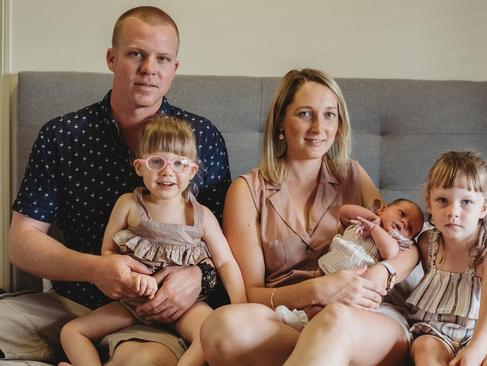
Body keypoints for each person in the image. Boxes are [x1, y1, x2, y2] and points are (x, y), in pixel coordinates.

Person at [1, 6, 230, 365]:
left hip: (158, 312)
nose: (149, 69)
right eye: (136, 54)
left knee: (142, 360)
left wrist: (197, 279)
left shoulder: (202, 137)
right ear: (112, 58)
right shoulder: (63, 135)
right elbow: (21, 243)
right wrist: (95, 269)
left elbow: (227, 244)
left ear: (174, 69)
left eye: (163, 58)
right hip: (72, 304)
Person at [200, 68, 420, 366]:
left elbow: (410, 246)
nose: (319, 127)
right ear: (281, 121)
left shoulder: (353, 176)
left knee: (335, 320)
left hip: (366, 317)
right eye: (305, 114)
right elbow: (250, 293)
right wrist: (318, 290)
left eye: (329, 115)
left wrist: (385, 272)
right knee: (220, 327)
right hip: (290, 316)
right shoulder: (246, 191)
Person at [58, 115, 245, 366]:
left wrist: (241, 305)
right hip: (133, 303)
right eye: (156, 162)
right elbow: (108, 253)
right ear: (139, 167)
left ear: (192, 171)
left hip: (186, 307)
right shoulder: (129, 205)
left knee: (211, 333)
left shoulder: (201, 216)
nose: (167, 171)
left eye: (178, 163)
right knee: (71, 332)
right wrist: (134, 278)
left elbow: (225, 263)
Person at [406, 151, 487, 366]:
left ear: (484, 208)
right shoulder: (426, 243)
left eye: (466, 202)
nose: (453, 212)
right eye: (443, 200)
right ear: (429, 203)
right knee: (425, 349)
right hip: (436, 330)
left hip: (485, 334)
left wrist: (474, 353)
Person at [275, 199, 424, 330]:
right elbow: (344, 211)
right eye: (402, 214)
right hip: (330, 267)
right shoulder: (364, 221)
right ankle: (297, 314)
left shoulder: (394, 242)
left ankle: (302, 321)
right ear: (383, 209)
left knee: (327, 307)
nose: (404, 223)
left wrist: (374, 229)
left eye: (410, 228)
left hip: (352, 283)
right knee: (316, 293)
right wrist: (372, 218)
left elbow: (390, 253)